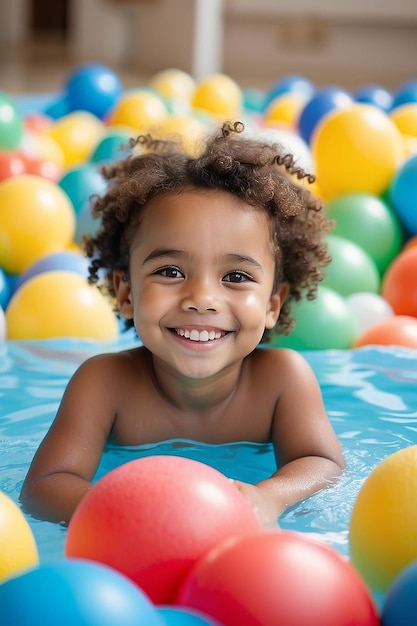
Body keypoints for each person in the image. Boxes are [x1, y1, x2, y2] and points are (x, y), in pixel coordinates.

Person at [20, 121, 345, 528]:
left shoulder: (283, 380)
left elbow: (322, 463)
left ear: (271, 305)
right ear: (125, 294)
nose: (202, 300)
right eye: (171, 271)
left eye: (236, 277)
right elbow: (45, 486)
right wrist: (135, 513)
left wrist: (270, 495)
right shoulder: (103, 384)